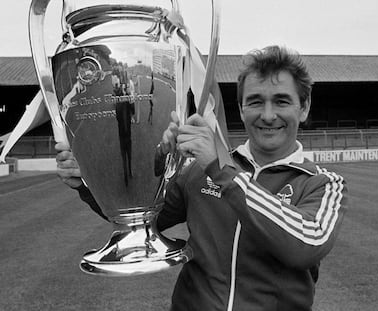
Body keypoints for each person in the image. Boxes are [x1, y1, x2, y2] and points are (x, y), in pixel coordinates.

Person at [57, 45, 348, 311]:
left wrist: (222, 171)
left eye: (282, 101)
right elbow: (142, 218)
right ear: (242, 109)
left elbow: (306, 245)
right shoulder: (199, 171)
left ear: (305, 107)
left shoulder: (323, 184)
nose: (268, 115)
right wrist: (88, 181)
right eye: (256, 102)